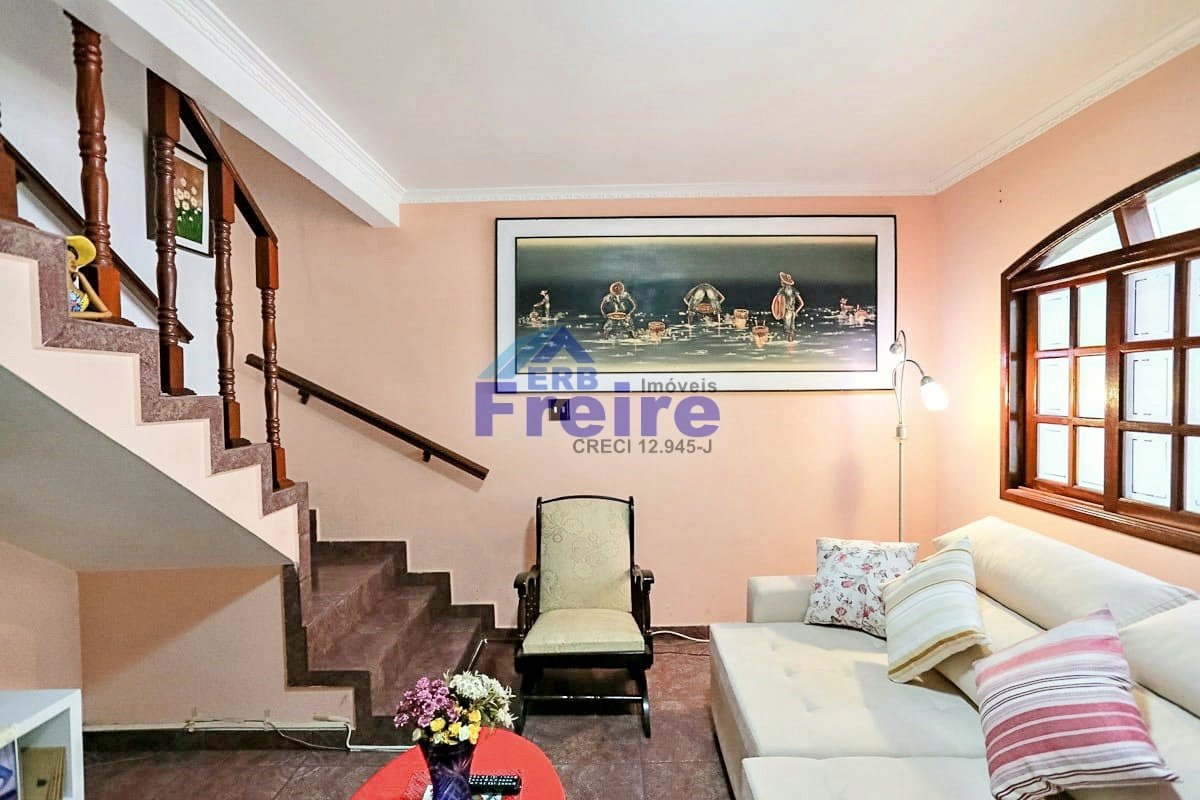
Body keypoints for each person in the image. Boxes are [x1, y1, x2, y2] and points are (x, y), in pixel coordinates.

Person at [771, 272, 805, 342]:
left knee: (788, 331)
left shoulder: (782, 290)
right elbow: (802, 303)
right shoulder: (794, 290)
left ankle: (789, 345)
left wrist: (779, 311)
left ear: (784, 282)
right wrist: (796, 312)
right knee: (791, 331)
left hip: (786, 312)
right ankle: (791, 345)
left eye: (782, 280)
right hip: (792, 312)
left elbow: (777, 301)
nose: (781, 281)